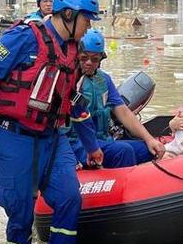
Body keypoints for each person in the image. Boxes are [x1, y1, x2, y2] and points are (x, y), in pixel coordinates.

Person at [0, 0, 102, 244]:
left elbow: (71, 100)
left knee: (69, 197)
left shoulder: (74, 50)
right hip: (13, 135)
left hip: (52, 137)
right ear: (69, 15)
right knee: (20, 210)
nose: (89, 26)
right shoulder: (23, 38)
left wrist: (91, 145)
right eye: (87, 19)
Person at [69, 29, 165, 169]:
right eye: (84, 58)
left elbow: (124, 112)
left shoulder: (104, 80)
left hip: (103, 140)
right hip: (77, 143)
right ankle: (126, 187)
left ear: (101, 59)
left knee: (147, 150)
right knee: (123, 151)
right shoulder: (69, 80)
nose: (89, 63)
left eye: (94, 59)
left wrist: (150, 139)